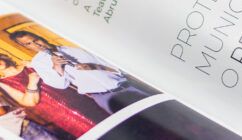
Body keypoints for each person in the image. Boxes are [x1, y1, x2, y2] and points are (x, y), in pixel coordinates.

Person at [0, 50, 105, 140]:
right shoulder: (3, 83)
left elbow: (61, 75)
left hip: (77, 99)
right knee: (92, 135)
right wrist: (32, 83)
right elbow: (29, 102)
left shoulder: (30, 64)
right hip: (61, 113)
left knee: (104, 118)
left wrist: (37, 65)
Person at [9, 31, 151, 113]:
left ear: (41, 37)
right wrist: (57, 67)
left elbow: (116, 69)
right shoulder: (39, 62)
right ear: (25, 47)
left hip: (128, 86)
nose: (36, 44)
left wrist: (96, 67)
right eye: (29, 44)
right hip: (105, 98)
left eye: (36, 40)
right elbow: (60, 85)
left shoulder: (71, 47)